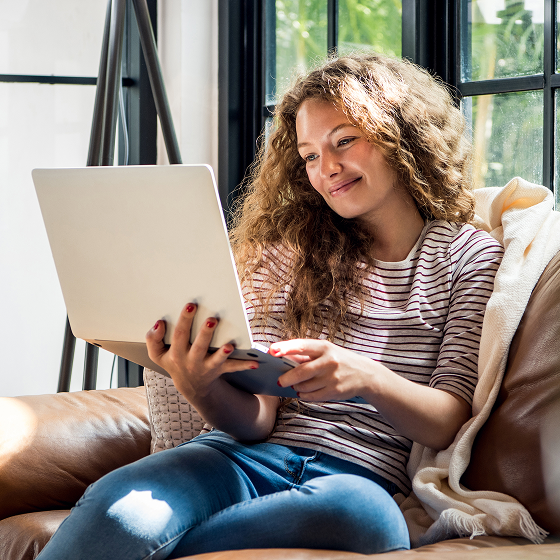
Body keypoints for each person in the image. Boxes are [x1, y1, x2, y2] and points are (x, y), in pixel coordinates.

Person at [37, 52, 503, 559]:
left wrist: (366, 376)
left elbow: (448, 418)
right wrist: (201, 385)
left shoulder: (467, 257)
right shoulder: (291, 252)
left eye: (344, 141)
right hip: (234, 457)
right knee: (115, 506)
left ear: (403, 136)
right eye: (308, 155)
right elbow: (257, 420)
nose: (326, 169)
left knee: (366, 518)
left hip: (352, 480)